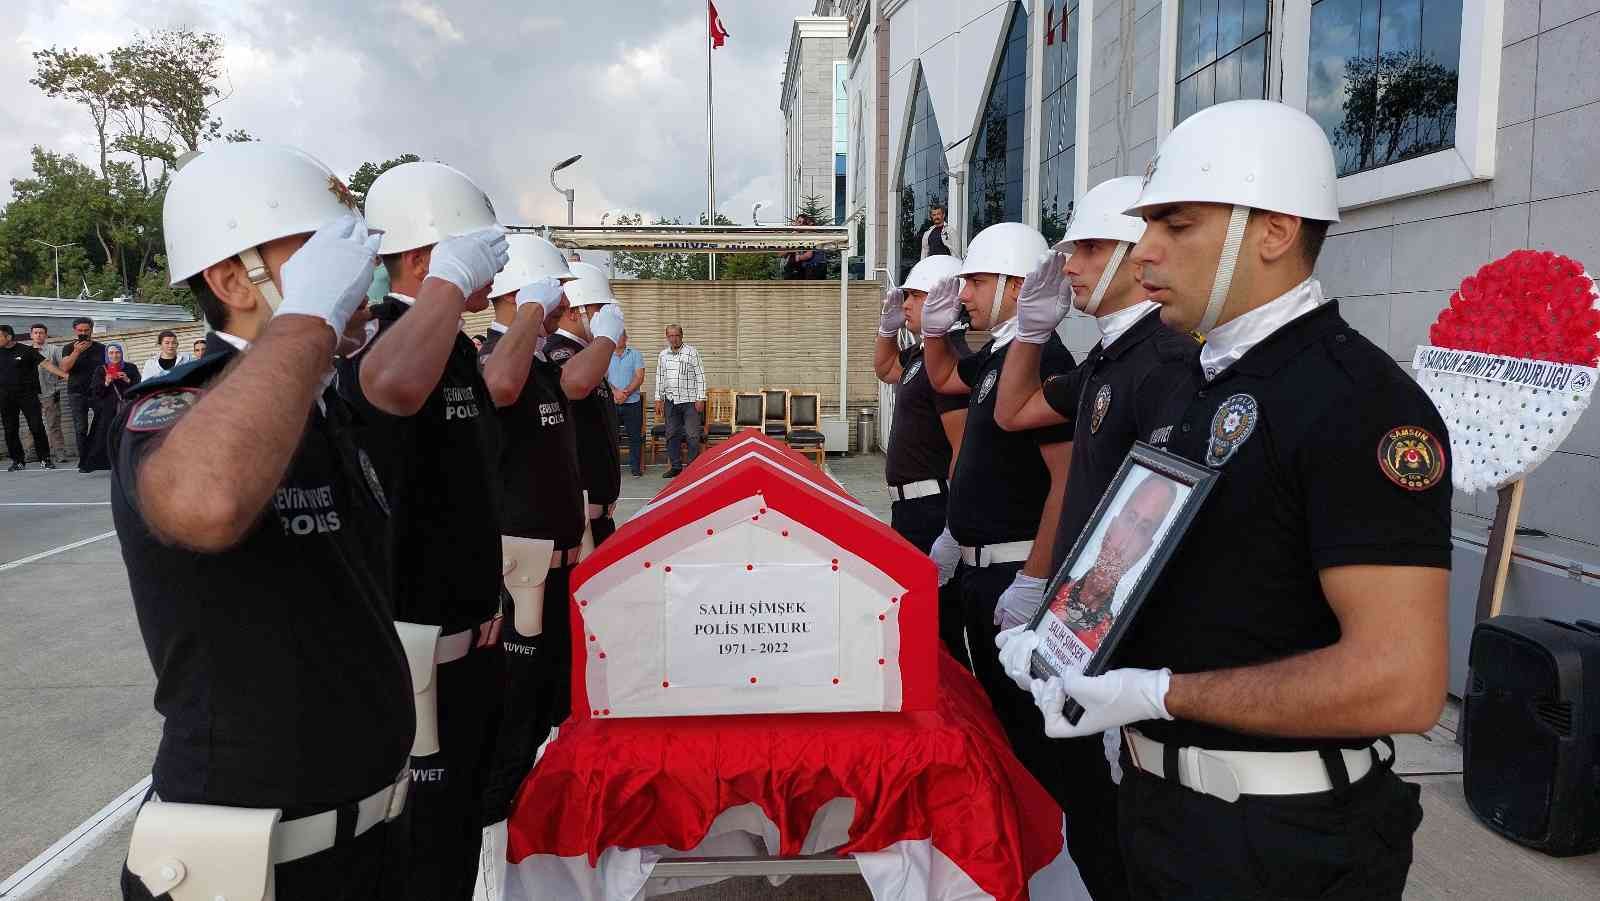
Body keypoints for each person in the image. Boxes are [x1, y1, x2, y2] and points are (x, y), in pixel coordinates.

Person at [1028, 100, 1451, 900]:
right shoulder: (1183, 378)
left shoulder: (1359, 402)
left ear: (1274, 232)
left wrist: (1161, 691)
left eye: (1176, 226)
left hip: (1287, 840)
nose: (1144, 249)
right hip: (1161, 810)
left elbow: (1402, 677)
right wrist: (1063, 641)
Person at [113, 141, 411, 900]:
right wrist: (309, 315)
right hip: (254, 869)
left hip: (369, 842)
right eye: (323, 254)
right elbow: (206, 502)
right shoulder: (183, 409)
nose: (359, 277)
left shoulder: (325, 409)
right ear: (228, 280)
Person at [990, 176, 1197, 901]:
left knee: (1120, 836)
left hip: (1122, 646)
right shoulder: (1110, 357)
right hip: (1086, 632)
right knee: (1094, 820)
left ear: (1135, 255)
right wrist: (1032, 331)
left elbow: (1154, 524)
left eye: (1086, 247)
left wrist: (1088, 635)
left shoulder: (1167, 361)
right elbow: (1013, 411)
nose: (1069, 264)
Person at [343, 160, 510, 900]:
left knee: (460, 827)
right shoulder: (386, 347)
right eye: (471, 250)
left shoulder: (457, 346)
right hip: (419, 650)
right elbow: (389, 395)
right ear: (421, 257)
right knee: (426, 846)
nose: (491, 268)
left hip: (474, 637)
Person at [920, 221, 1075, 797]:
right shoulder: (998, 358)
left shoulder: (1045, 360)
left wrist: (1034, 579)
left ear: (1016, 286)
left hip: (1016, 573)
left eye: (977, 282)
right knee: (998, 720)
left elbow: (1067, 478)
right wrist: (936, 332)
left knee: (1030, 735)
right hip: (980, 568)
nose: (964, 295)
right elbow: (940, 374)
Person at [478, 233, 584, 826]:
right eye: (552, 297)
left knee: (550, 698)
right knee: (516, 705)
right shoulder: (497, 360)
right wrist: (525, 317)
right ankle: (498, 818)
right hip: (521, 568)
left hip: (559, 562)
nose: (561, 310)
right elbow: (500, 385)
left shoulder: (540, 362)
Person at [873, 254, 970, 667]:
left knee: (940, 622)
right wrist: (886, 329)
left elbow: (964, 448)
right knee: (920, 614)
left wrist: (951, 528)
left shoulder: (951, 360)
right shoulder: (921, 356)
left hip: (934, 506)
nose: (905, 304)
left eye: (914, 296)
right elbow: (884, 368)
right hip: (909, 506)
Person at [1044, 475, 1178, 652]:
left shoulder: (1111, 639)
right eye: (1129, 519)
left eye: (1143, 530)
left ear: (1144, 550)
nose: (1123, 544)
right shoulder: (1056, 584)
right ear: (1111, 526)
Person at [543, 262, 625, 548]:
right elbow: (573, 385)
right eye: (598, 308)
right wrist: (605, 340)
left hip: (598, 514)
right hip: (580, 517)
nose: (606, 316)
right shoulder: (558, 350)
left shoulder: (587, 352)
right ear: (575, 310)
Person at [78, 342, 140, 473]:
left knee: (127, 435)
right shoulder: (101, 369)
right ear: (106, 355)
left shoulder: (130, 368)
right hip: (107, 410)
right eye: (111, 353)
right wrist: (106, 382)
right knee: (101, 436)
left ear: (121, 353)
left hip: (126, 407)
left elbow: (138, 387)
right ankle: (95, 463)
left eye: (117, 352)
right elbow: (95, 392)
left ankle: (128, 462)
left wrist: (127, 380)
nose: (114, 355)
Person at [654, 323, 706, 477]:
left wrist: (701, 398)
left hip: (690, 401)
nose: (674, 339)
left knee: (692, 435)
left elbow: (700, 375)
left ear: (681, 336)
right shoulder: (663, 355)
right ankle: (675, 467)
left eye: (676, 335)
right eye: (670, 336)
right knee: (671, 434)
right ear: (667, 337)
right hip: (671, 401)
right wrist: (658, 398)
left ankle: (692, 468)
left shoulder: (692, 352)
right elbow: (660, 377)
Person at [1, 324, 53, 470]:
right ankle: (17, 461)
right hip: (5, 397)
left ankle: (45, 458)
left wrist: (65, 375)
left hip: (28, 395)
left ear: (8, 337)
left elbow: (46, 364)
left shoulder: (26, 350)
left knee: (36, 426)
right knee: (10, 429)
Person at [56, 316, 106, 461]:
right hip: (77, 393)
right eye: (80, 330)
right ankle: (84, 458)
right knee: (81, 427)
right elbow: (64, 368)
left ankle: (100, 454)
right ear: (75, 331)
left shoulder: (101, 348)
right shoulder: (68, 348)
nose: (83, 333)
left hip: (98, 391)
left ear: (91, 330)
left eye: (86, 330)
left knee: (102, 423)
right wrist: (76, 352)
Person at [608, 330, 646, 477]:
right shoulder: (606, 354)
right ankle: (612, 469)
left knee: (635, 437)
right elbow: (602, 377)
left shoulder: (635, 354)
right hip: (611, 403)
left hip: (632, 402)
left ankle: (635, 468)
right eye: (616, 336)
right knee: (611, 437)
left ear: (626, 338)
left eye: (621, 336)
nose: (618, 339)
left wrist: (626, 393)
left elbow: (639, 376)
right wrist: (615, 393)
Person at [30, 324, 69, 464]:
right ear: (31, 335)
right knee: (33, 424)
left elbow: (63, 368)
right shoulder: (26, 351)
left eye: (41, 333)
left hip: (50, 392)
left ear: (46, 335)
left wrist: (55, 381)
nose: (38, 335)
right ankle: (33, 452)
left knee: (53, 424)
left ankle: (59, 452)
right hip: (31, 394)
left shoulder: (54, 350)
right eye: (36, 333)